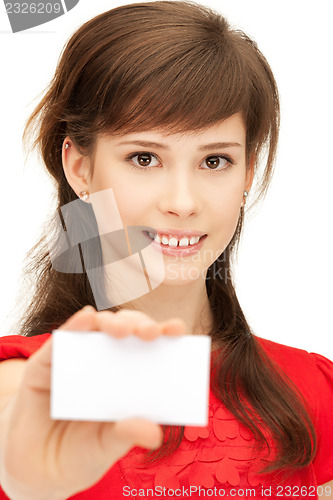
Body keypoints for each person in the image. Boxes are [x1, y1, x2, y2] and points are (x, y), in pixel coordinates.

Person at [0, 1, 332, 498]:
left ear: (248, 171)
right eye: (144, 157)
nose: (182, 202)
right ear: (80, 167)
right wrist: (25, 480)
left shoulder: (312, 390)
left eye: (215, 160)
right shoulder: (26, 380)